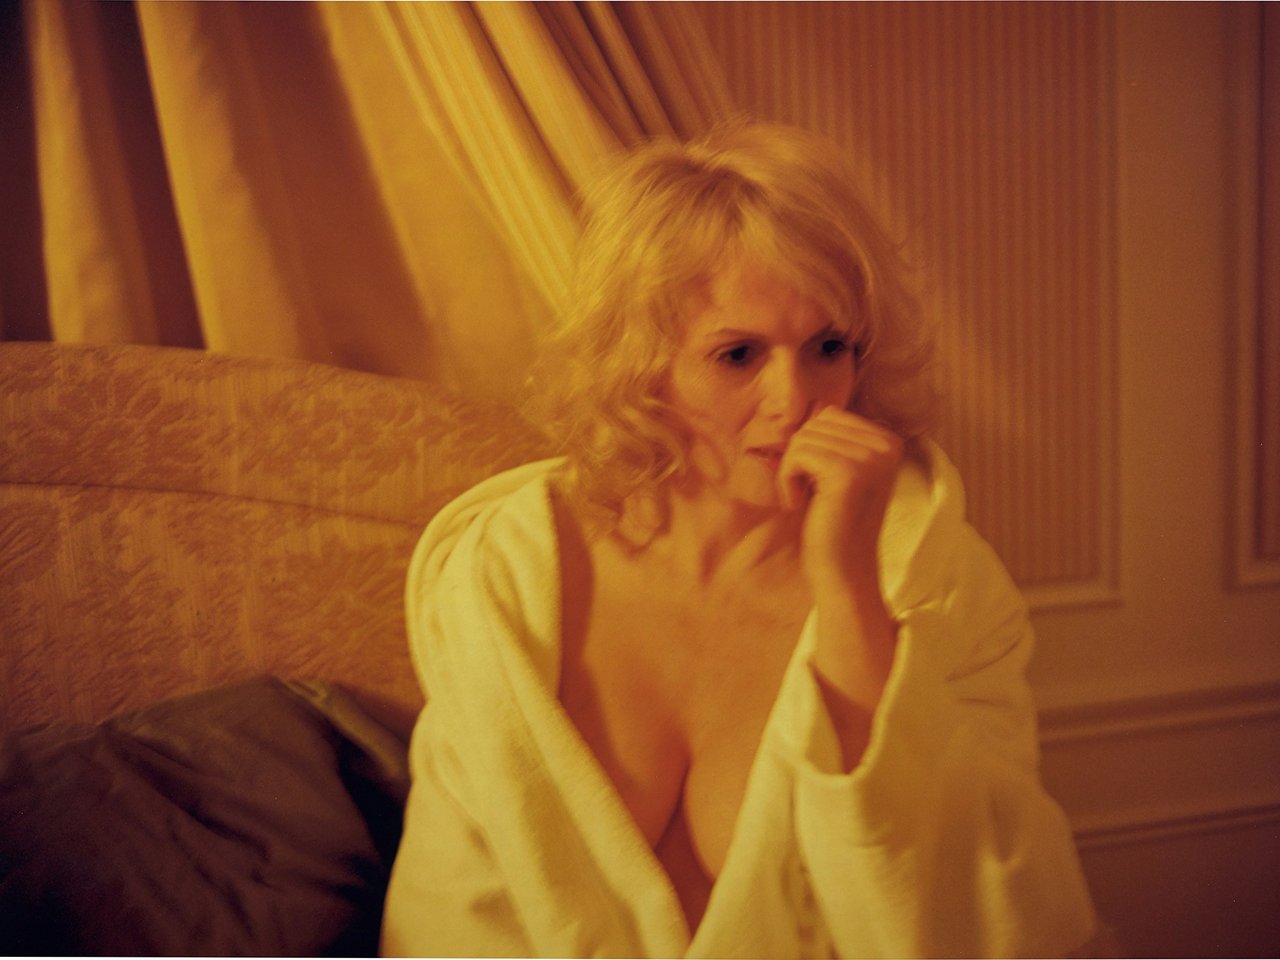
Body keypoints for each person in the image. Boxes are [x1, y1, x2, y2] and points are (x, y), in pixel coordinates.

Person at [380, 121, 1102, 958]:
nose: (795, 400)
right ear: (640, 365)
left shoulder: (938, 581)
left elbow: (994, 917)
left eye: (828, 346)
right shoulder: (504, 580)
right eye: (738, 355)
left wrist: (849, 590)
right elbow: (450, 914)